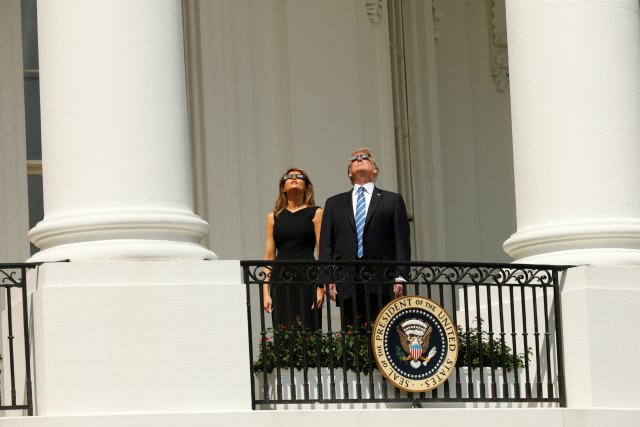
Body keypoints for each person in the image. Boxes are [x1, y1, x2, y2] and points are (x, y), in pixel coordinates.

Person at [319, 147, 410, 329]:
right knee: (351, 336)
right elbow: (326, 243)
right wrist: (327, 277)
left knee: (381, 335)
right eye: (354, 158)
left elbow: (402, 240)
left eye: (365, 157)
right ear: (349, 172)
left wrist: (400, 276)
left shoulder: (392, 200)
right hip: (347, 280)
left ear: (375, 169)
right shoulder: (334, 203)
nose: (359, 159)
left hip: (381, 280)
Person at [262, 168, 325, 330]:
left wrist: (321, 288)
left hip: (308, 277)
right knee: (283, 331)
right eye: (289, 177)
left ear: (306, 186)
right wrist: (265, 292)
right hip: (281, 278)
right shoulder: (273, 217)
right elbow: (269, 256)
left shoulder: (316, 213)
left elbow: (322, 252)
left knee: (309, 330)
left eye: (299, 176)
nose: (294, 178)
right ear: (283, 187)